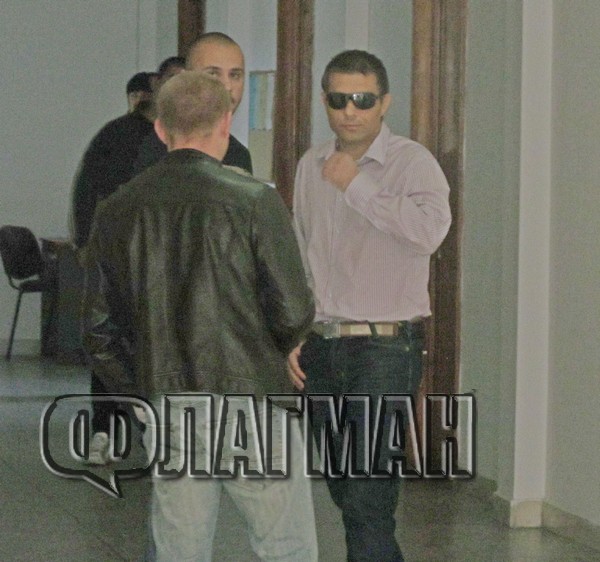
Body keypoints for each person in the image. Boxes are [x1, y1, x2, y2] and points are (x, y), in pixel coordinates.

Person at [82, 71, 318, 561]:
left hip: (169, 401)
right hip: (254, 397)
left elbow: (99, 332)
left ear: (160, 129)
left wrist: (140, 392)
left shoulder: (118, 209)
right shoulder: (254, 200)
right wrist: (282, 344)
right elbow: (293, 309)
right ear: (226, 122)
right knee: (285, 547)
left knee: (180, 549)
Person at [287, 50, 452, 562]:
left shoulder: (412, 162)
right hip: (322, 346)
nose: (350, 111)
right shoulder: (310, 165)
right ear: (325, 102)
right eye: (339, 99)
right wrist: (294, 333)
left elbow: (430, 232)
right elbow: (302, 254)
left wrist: (356, 184)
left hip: (384, 348)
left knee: (366, 489)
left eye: (362, 99)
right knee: (345, 485)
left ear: (384, 103)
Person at [134, 32, 252, 175]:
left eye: (235, 75)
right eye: (213, 74)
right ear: (186, 78)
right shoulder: (151, 149)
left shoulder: (239, 155)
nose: (227, 86)